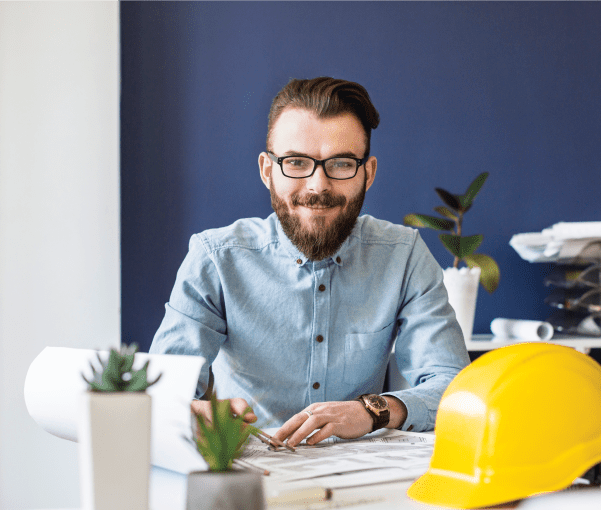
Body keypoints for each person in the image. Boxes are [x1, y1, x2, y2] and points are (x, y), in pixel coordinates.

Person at [150, 76, 469, 446]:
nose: (318, 186)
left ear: (368, 173)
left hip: (360, 478)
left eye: (342, 163)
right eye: (297, 162)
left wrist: (371, 411)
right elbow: (163, 391)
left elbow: (453, 389)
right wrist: (187, 411)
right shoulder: (215, 259)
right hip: (247, 476)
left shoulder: (404, 255)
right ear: (267, 170)